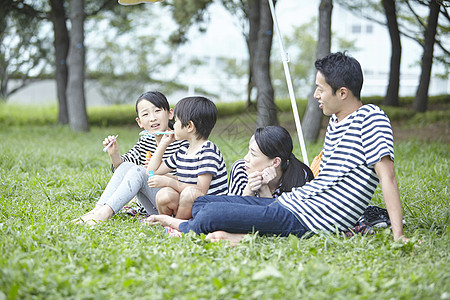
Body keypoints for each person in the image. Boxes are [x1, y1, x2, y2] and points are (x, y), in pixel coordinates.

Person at [148, 52, 409, 244]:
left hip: (314, 219)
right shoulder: (336, 123)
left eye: (320, 90)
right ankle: (234, 235)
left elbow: (388, 177)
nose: (316, 95)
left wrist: (398, 235)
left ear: (342, 93)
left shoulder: (372, 118)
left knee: (212, 213)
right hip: (295, 203)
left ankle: (181, 226)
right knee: (204, 202)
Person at [73, 91, 187, 225]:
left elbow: (187, 182)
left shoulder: (182, 143)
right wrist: (114, 154)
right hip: (152, 204)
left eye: (157, 111)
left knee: (139, 171)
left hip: (172, 205)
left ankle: (105, 213)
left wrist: (157, 170)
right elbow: (123, 168)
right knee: (128, 167)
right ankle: (98, 210)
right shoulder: (146, 141)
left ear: (170, 114)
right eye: (145, 114)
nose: (152, 118)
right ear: (139, 122)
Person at [144, 96, 228, 220]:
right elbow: (151, 171)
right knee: (164, 195)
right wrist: (163, 144)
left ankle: (176, 224)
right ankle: (175, 222)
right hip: (189, 206)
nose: (173, 125)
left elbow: (200, 191)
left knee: (190, 193)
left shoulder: (208, 151)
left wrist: (168, 181)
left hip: (210, 207)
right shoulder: (183, 151)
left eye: (176, 121)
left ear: (189, 126)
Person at [227, 126, 313, 198]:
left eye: (253, 154)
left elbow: (280, 217)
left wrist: (264, 189)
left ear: (275, 162)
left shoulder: (300, 178)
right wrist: (249, 190)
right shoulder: (241, 169)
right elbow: (232, 215)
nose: (246, 158)